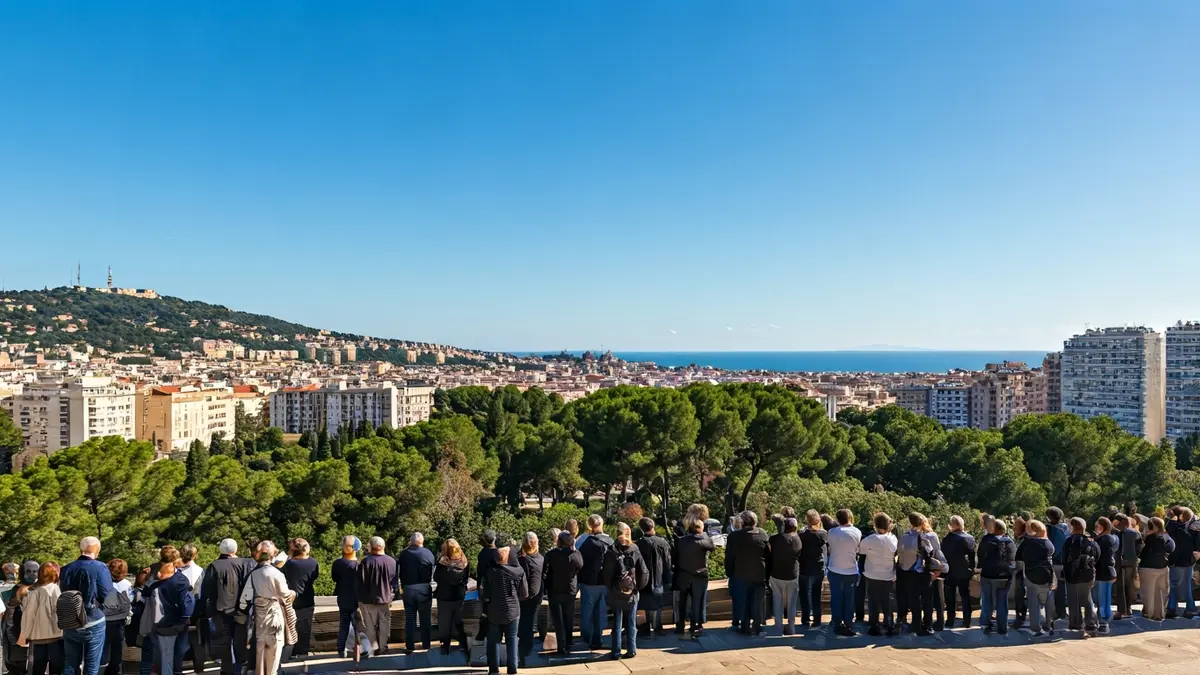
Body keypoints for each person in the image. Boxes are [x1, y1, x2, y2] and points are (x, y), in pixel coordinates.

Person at [61, 536, 114, 675]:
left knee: (70, 663)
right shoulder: (101, 567)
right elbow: (106, 593)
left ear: (81, 549)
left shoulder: (66, 568)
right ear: (97, 550)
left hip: (70, 619)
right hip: (93, 619)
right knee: (91, 664)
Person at [200, 538, 255, 675]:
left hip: (221, 611)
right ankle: (241, 667)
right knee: (242, 640)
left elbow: (207, 591)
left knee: (225, 641)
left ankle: (227, 669)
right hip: (243, 610)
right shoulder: (248, 563)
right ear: (235, 550)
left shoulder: (214, 566)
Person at [238, 542, 294, 675]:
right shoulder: (277, 574)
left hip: (259, 617)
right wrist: (293, 594)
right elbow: (285, 595)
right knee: (274, 651)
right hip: (275, 614)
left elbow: (244, 600)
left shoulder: (254, 574)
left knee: (260, 651)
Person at [602, 523, 649, 660]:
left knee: (617, 622)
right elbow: (643, 571)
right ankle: (631, 649)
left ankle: (616, 651)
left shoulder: (611, 551)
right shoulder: (634, 549)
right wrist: (638, 587)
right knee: (631, 621)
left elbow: (606, 573)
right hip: (632, 592)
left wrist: (611, 587)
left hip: (616, 592)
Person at [896, 513, 945, 636]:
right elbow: (936, 553)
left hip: (910, 572)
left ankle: (916, 623)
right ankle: (928, 625)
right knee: (928, 600)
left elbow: (900, 555)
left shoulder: (905, 537)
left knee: (914, 599)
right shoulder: (931, 536)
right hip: (926, 572)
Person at [724, 511, 770, 636]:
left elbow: (729, 557)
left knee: (743, 601)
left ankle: (745, 626)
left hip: (740, 574)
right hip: (759, 573)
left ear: (742, 523)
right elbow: (768, 554)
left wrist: (729, 572)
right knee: (757, 601)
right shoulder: (762, 534)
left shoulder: (734, 537)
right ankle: (757, 625)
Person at [485, 546, 528, 675]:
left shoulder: (490, 572)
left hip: (494, 610)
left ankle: (493, 669)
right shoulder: (518, 572)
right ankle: (512, 668)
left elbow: (486, 594)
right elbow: (524, 593)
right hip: (512, 609)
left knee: (494, 640)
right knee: (512, 639)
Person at [356, 536, 398, 656]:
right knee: (384, 623)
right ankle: (383, 647)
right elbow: (394, 581)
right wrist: (392, 594)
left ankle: (374, 647)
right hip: (385, 598)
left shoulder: (365, 562)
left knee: (370, 625)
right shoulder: (392, 561)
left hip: (368, 599)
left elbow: (360, 582)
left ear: (371, 547)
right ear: (383, 546)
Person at [19, 562, 64, 675]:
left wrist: (24, 635)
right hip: (57, 635)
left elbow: (28, 616)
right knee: (57, 666)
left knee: (38, 665)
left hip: (39, 637)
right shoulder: (58, 590)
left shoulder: (33, 592)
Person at [576, 515, 614, 650]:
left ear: (589, 525)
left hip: (588, 582)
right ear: (602, 524)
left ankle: (587, 637)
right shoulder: (610, 541)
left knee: (587, 611)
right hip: (604, 582)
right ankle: (598, 637)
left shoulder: (583, 541)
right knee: (601, 612)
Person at [543, 531, 583, 655]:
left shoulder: (551, 554)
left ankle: (561, 645)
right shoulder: (575, 555)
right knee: (568, 617)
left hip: (554, 589)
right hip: (569, 589)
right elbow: (580, 566)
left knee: (558, 619)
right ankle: (569, 642)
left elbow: (544, 570)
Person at [859, 512, 898, 637]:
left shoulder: (870, 539)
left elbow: (861, 551)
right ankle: (888, 621)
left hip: (872, 573)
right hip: (888, 573)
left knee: (872, 599)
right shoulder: (893, 539)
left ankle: (874, 622)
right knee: (887, 599)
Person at [153, 561, 196, 675]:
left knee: (168, 652)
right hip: (177, 619)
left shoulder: (164, 583)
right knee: (178, 650)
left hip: (167, 621)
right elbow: (187, 602)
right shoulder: (180, 581)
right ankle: (176, 671)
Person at [396, 532, 435, 655]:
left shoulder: (403, 554)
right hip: (424, 587)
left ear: (410, 541)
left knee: (410, 618)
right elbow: (432, 569)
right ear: (422, 542)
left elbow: (398, 572)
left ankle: (410, 644)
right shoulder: (428, 553)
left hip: (408, 588)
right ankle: (426, 643)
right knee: (425, 618)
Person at [1016, 520, 1056, 637]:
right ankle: (1049, 625)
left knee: (1033, 602)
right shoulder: (1048, 543)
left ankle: (1035, 628)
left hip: (1031, 575)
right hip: (1048, 576)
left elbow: (1019, 559)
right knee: (1049, 601)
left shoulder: (1027, 543)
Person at [281, 538, 319, 660]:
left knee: (291, 627)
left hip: (291, 600)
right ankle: (303, 652)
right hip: (307, 599)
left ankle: (291, 651)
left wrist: (289, 556)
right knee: (305, 628)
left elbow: (282, 574)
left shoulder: (290, 564)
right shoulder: (313, 563)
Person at [827, 508, 862, 637]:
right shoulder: (857, 532)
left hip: (835, 568)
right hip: (851, 569)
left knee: (836, 597)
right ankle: (848, 622)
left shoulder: (832, 532)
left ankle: (836, 621)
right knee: (849, 598)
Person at [635, 518, 672, 640]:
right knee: (657, 603)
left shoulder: (639, 544)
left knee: (645, 602)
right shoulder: (662, 542)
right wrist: (668, 578)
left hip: (644, 577)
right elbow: (667, 562)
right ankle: (657, 625)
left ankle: (646, 626)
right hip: (658, 577)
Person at [432, 539, 470, 656]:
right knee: (459, 621)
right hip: (459, 595)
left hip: (444, 596)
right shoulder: (464, 562)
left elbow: (436, 578)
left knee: (444, 622)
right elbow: (466, 579)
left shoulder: (442, 563)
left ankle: (445, 645)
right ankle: (463, 643)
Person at [977, 519, 1016, 634]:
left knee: (986, 600)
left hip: (988, 574)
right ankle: (1002, 626)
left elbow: (980, 555)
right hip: (1004, 575)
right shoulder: (1009, 542)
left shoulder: (986, 540)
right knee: (1002, 601)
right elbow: (1012, 558)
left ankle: (985, 623)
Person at [1062, 517, 1099, 635]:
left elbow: (1063, 558)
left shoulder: (1069, 541)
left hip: (1072, 575)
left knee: (1073, 600)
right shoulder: (1091, 541)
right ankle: (1091, 624)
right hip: (1087, 575)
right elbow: (1097, 555)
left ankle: (1076, 623)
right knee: (1088, 600)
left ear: (1072, 527)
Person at [766, 517, 803, 635]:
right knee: (792, 602)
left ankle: (778, 627)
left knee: (778, 600)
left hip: (776, 574)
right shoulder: (798, 540)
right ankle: (791, 627)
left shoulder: (774, 539)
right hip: (792, 574)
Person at [941, 516, 976, 628]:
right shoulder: (970, 538)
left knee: (950, 597)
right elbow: (972, 556)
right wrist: (971, 568)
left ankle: (950, 619)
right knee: (965, 595)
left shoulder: (948, 539)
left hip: (951, 571)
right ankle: (967, 619)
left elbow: (944, 554)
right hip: (965, 570)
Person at [515, 533, 543, 667]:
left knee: (521, 626)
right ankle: (526, 653)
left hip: (520, 597)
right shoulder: (539, 560)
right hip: (532, 598)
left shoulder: (517, 559)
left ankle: (521, 653)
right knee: (530, 625)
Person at [1139, 516, 1175, 622]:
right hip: (1163, 567)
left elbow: (1140, 553)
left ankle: (1148, 613)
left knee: (1148, 592)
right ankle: (1159, 614)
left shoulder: (1148, 539)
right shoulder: (1166, 537)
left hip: (1147, 568)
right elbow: (1171, 548)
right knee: (1161, 592)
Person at [1166, 507, 1200, 619]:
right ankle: (1189, 608)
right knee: (1186, 585)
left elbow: (1169, 528)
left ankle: (1172, 608)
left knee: (1175, 584)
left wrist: (1173, 520)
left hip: (1179, 560)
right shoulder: (1194, 526)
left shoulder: (1179, 528)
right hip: (1188, 560)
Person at [176, 545, 205, 674]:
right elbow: (200, 593)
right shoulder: (199, 571)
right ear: (195, 555)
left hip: (178, 610)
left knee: (179, 639)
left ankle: (177, 665)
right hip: (195, 609)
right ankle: (198, 664)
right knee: (196, 639)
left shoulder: (176, 571)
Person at [100, 560, 132, 675]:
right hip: (119, 621)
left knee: (102, 651)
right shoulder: (126, 584)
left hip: (103, 620)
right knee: (117, 651)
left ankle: (101, 670)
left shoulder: (103, 582)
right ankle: (112, 671)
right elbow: (130, 602)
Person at [330, 536, 360, 656]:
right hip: (356, 598)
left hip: (342, 597)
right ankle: (357, 649)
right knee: (357, 626)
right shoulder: (359, 565)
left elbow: (334, 578)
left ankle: (341, 648)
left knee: (344, 624)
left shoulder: (337, 563)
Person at [797, 510, 827, 628]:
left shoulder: (802, 534)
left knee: (804, 593)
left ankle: (805, 618)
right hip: (817, 567)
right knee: (816, 594)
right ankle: (817, 619)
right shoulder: (823, 534)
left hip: (804, 566)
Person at [1111, 514, 1143, 621]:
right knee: (1129, 587)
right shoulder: (1135, 533)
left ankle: (1121, 610)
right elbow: (1140, 546)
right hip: (1131, 562)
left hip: (1120, 562)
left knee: (1120, 588)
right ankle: (1128, 609)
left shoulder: (1115, 533)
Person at [1092, 517, 1119, 633]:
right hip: (1110, 571)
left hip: (1102, 572)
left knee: (1102, 599)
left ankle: (1104, 622)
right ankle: (1104, 620)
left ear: (1102, 527)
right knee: (1105, 598)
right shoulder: (1114, 539)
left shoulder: (1101, 541)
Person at [1045, 507, 1069, 622]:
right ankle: (1061, 612)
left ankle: (1057, 613)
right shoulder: (1065, 528)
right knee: (1061, 589)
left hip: (1055, 563)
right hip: (1064, 563)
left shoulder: (1054, 530)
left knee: (1055, 590)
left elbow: (1055, 548)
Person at [477, 530, 500, 642]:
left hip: (486, 586)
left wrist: (478, 589)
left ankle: (483, 634)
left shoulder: (482, 553)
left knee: (485, 612)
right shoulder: (498, 553)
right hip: (497, 586)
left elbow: (480, 573)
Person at [1010, 517, 1028, 629]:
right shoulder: (1018, 538)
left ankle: (1020, 618)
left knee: (1021, 596)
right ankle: (1019, 617)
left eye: (1015, 526)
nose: (1013, 528)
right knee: (1019, 597)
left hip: (1022, 571)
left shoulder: (1024, 540)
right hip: (1019, 570)